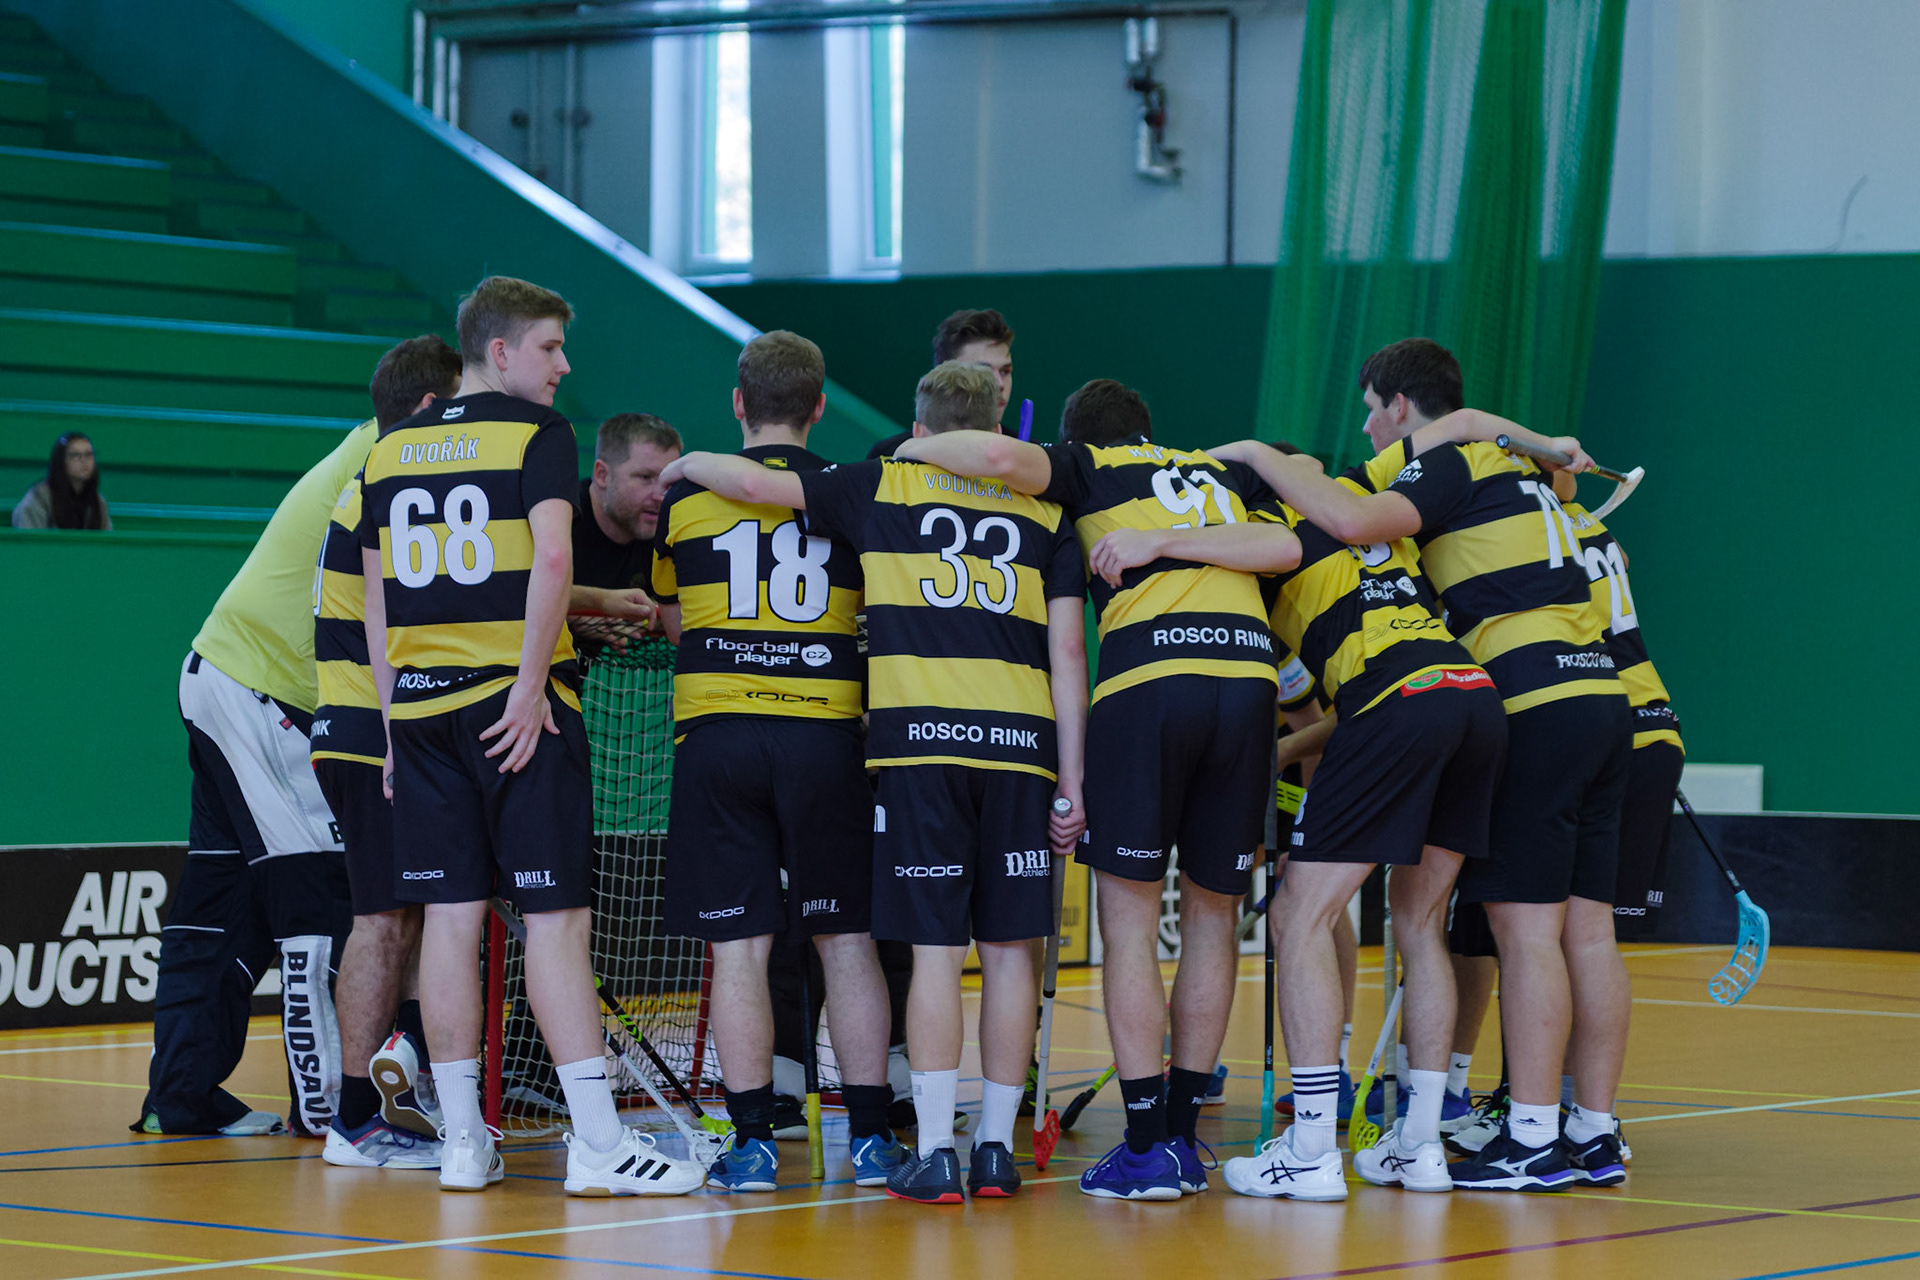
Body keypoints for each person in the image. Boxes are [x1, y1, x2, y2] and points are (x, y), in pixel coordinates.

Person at [658, 360, 1089, 1204]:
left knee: (930, 958)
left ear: (919, 430)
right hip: (1019, 747)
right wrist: (1071, 779)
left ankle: (919, 1151)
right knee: (1005, 955)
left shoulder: (882, 483)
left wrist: (686, 464)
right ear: (997, 429)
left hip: (914, 745)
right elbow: (1068, 651)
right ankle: (985, 1151)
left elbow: (754, 484)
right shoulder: (1047, 508)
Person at [1226, 337, 1630, 1192]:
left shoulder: (1426, 475)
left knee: (1505, 931)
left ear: (1400, 407)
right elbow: (1487, 431)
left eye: (1371, 413)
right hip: (1586, 693)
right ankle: (1560, 1133)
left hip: (1524, 694)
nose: (1365, 433)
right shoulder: (1512, 466)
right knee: (1552, 929)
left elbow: (1347, 521)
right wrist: (1549, 447)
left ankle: (1505, 1138)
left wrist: (1243, 469)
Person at [894, 380, 1299, 1201]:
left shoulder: (1087, 466)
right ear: (1152, 431)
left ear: (1083, 438)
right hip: (1249, 681)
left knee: (1130, 916)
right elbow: (1284, 548)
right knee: (1214, 914)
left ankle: (1146, 1147)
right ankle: (1181, 1137)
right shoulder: (1216, 474)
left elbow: (998, 454)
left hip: (1151, 676)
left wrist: (913, 448)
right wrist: (1181, 536)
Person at [356, 275, 702, 1197]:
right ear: (500, 351)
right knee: (557, 921)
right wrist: (525, 684)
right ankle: (598, 1144)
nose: (564, 365)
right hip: (514, 713)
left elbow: (376, 599)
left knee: (449, 920)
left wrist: (392, 727)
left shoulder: (389, 449)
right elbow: (553, 557)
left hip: (419, 713)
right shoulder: (536, 434)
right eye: (550, 347)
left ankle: (463, 1143)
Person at [1121, 442, 1504, 1200]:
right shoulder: (1373, 521)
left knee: (1300, 915)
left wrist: (1160, 539)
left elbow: (1274, 549)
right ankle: (1420, 1145)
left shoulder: (1285, 523)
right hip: (1471, 694)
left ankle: (1309, 1150)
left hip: (1395, 700)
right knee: (1421, 923)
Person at [648, 331, 900, 1192]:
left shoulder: (685, 500)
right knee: (847, 940)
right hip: (825, 736)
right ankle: (872, 1140)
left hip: (718, 737)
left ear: (737, 403)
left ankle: (753, 1143)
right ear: (820, 406)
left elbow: (674, 618)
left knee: (740, 948)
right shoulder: (855, 490)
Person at [135, 433, 373, 1137]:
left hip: (220, 674)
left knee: (220, 901)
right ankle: (328, 1109)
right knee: (317, 891)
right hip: (261, 691)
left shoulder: (386, 442)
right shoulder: (401, 447)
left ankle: (178, 1099)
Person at [313, 334, 464, 1170]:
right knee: (380, 918)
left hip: (372, 725)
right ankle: (352, 1119)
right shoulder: (391, 481)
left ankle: (399, 1099)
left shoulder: (378, 478)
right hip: (373, 728)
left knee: (409, 915)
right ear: (431, 408)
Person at [866, 308, 1016, 459]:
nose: (999, 383)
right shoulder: (888, 455)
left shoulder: (1026, 455)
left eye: (1005, 371)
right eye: (982, 372)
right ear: (944, 374)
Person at [572, 411, 681, 610]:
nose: (661, 496)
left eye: (669, 481)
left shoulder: (671, 529)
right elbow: (520, 590)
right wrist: (598, 601)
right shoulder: (558, 519)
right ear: (602, 475)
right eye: (645, 477)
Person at [13, 432, 111, 529]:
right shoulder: (39, 498)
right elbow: (30, 537)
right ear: (61, 461)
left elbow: (107, 537)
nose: (84, 460)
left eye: (89, 455)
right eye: (75, 455)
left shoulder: (98, 502)